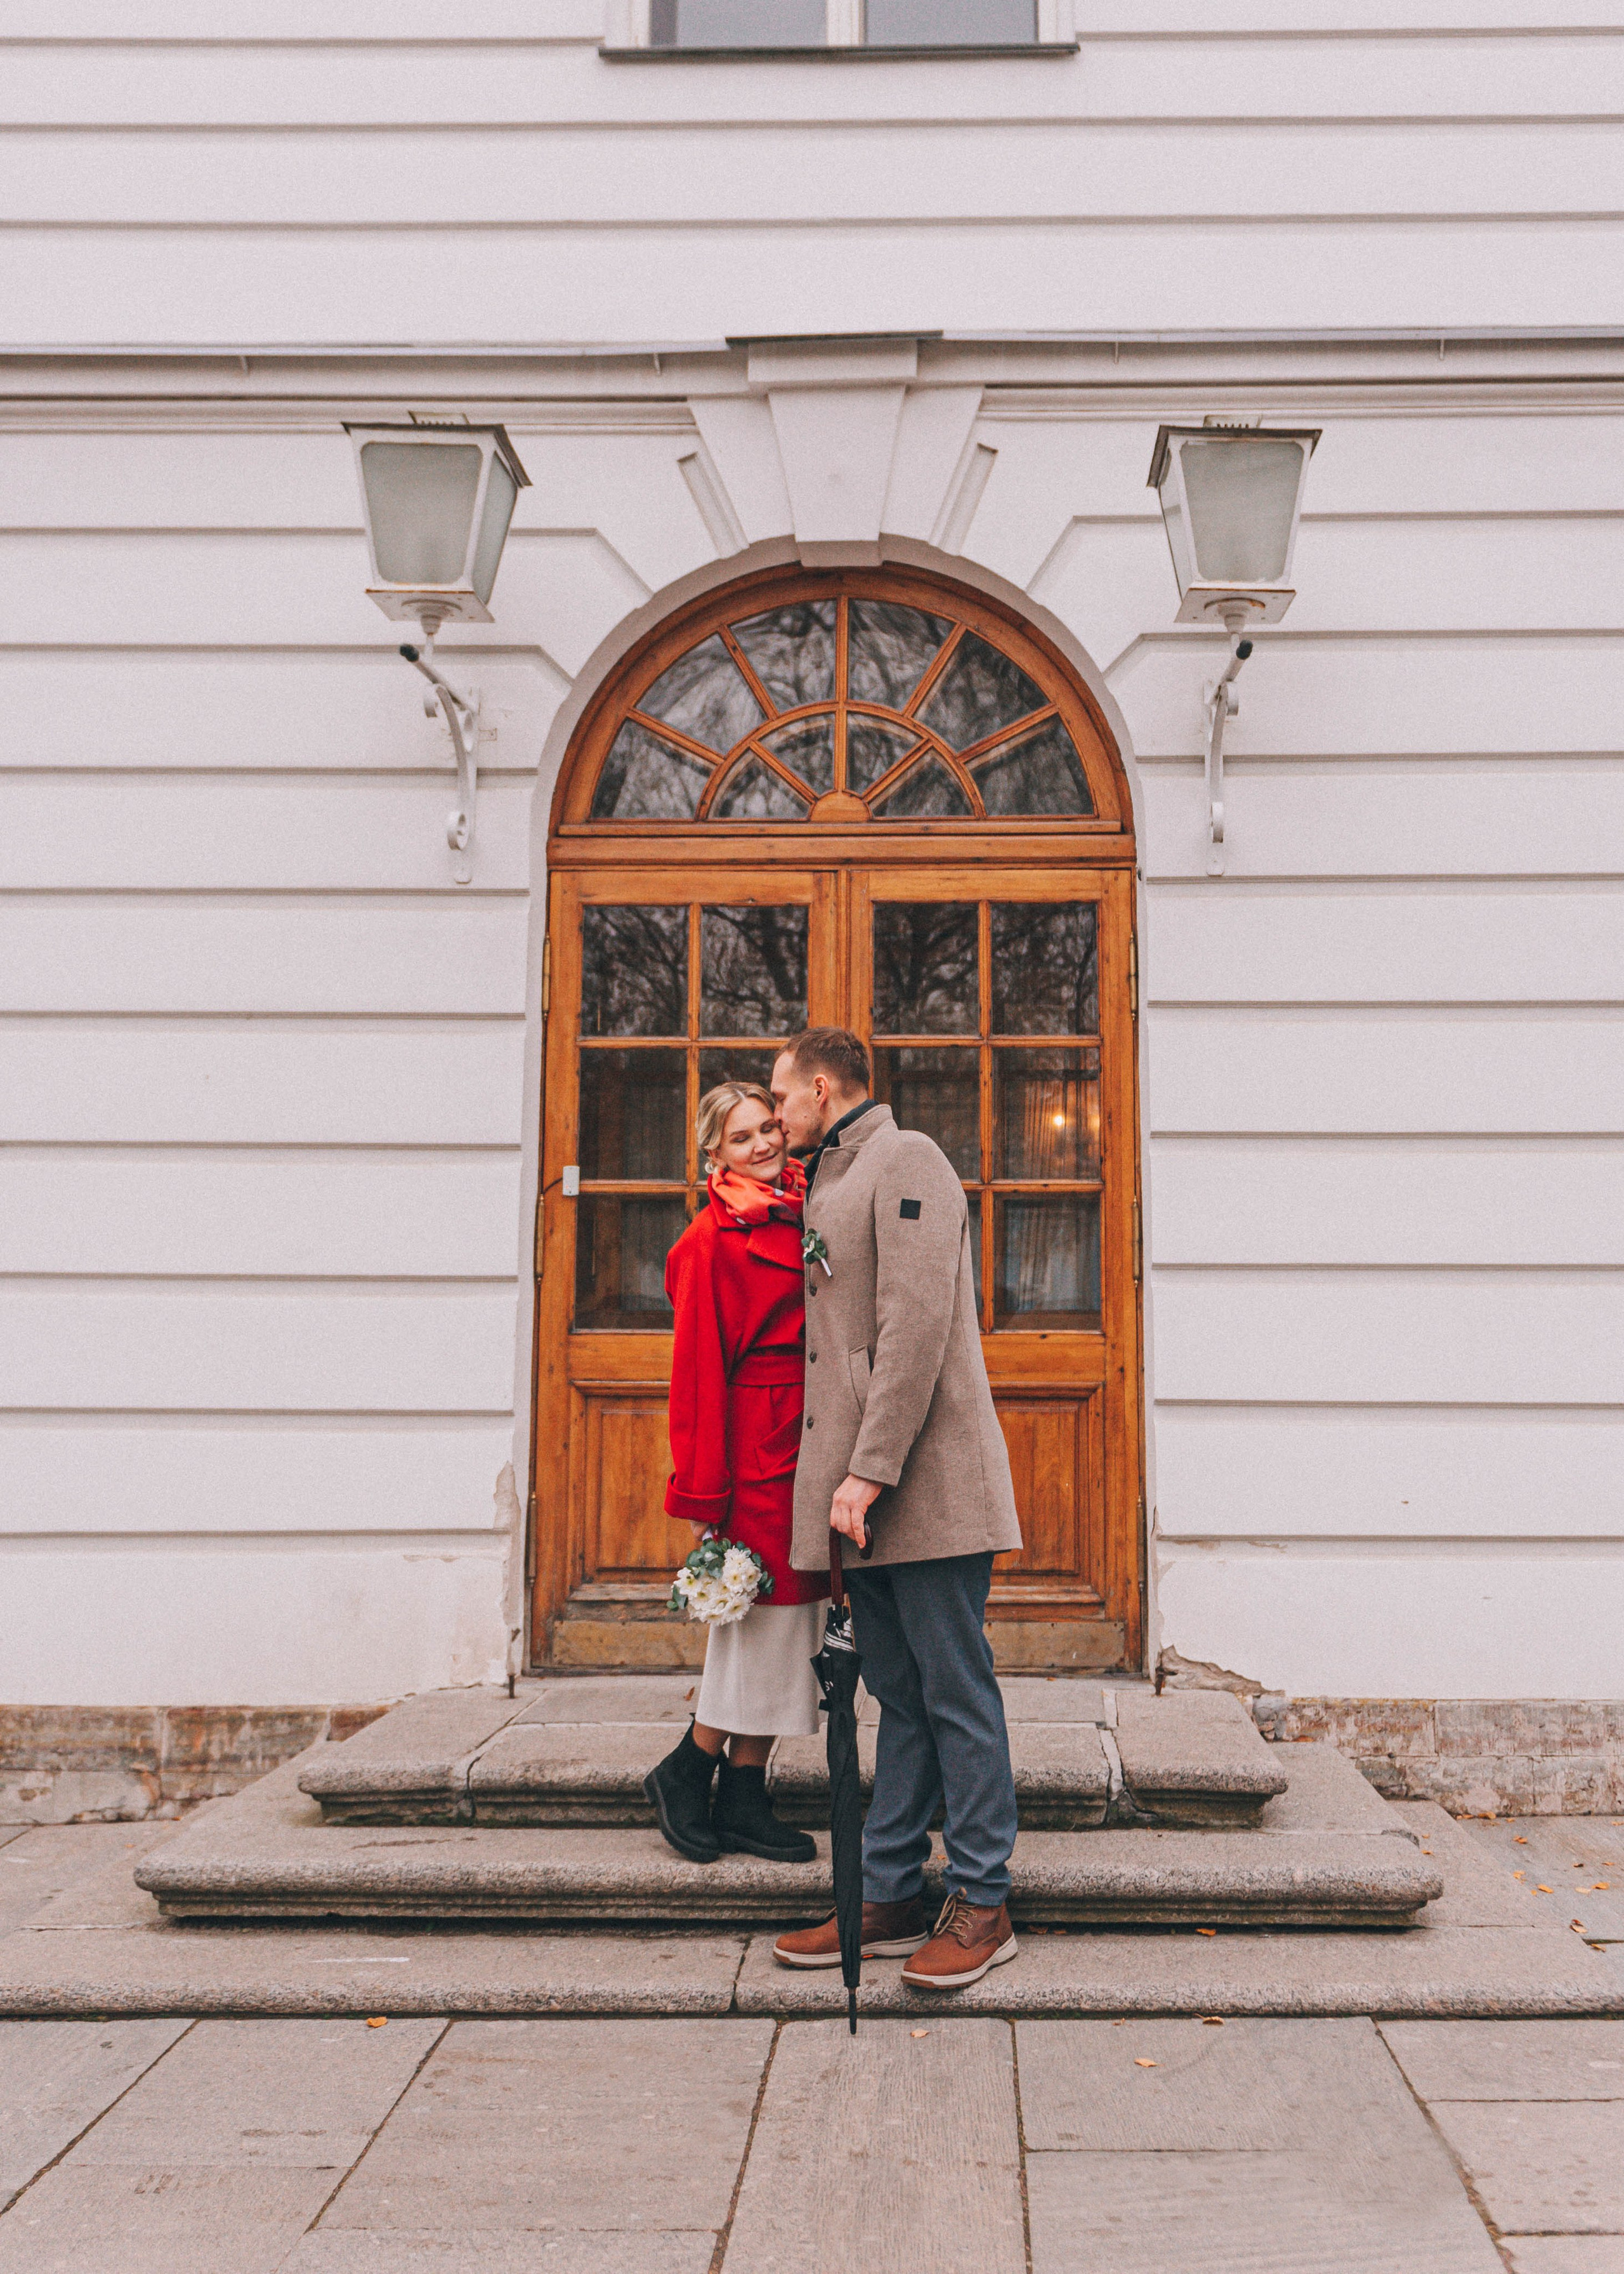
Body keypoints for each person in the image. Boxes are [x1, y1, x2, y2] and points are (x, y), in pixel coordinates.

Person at [767, 1027, 1025, 1991]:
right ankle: (886, 1894)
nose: (775, 1115)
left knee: (956, 1693)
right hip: (866, 1498)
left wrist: (867, 1471)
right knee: (901, 1699)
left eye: (781, 1097)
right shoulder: (831, 1176)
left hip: (926, 1488)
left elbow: (913, 1328)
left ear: (821, 1087)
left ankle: (984, 1901)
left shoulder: (906, 1157)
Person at [643, 1081, 828, 1869]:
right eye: (742, 1136)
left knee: (798, 1626)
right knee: (760, 1628)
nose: (763, 1144)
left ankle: (746, 1789)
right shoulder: (707, 1241)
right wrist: (702, 1494)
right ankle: (688, 1767)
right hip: (755, 1455)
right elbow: (696, 1376)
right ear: (713, 1153)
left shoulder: (806, 1207)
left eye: (769, 1128)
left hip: (809, 1443)